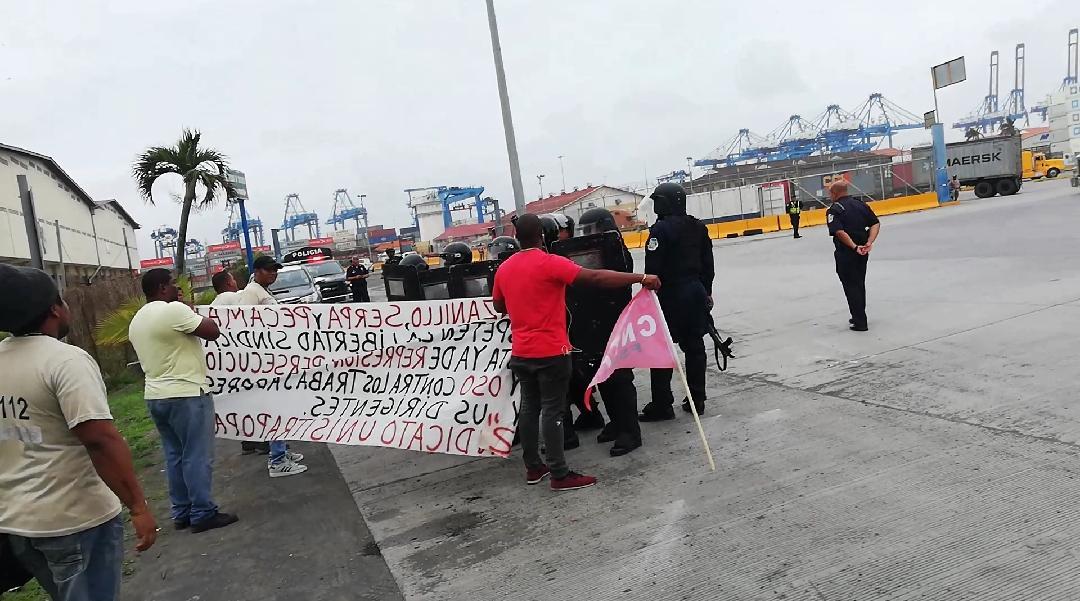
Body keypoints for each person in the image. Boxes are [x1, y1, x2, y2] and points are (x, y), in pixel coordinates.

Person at [0, 265, 157, 600]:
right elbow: (99, 440)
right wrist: (138, 506)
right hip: (74, 521)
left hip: (19, 525)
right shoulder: (65, 361)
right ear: (55, 309)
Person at [491, 214, 661, 491]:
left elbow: (499, 306)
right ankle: (559, 473)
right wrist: (641, 277)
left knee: (530, 409)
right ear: (542, 236)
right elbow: (595, 277)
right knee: (553, 410)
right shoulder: (549, 263)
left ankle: (533, 467)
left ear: (516, 237)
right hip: (551, 352)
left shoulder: (504, 269)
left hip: (521, 352)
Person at [128, 269, 237, 534]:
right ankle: (203, 512)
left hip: (156, 395)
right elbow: (212, 331)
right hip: (187, 393)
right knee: (197, 455)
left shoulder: (137, 320)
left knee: (175, 455)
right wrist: (189, 310)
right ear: (162, 288)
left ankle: (182, 511)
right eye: (173, 284)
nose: (178, 289)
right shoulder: (174, 311)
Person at [567, 207, 643, 456]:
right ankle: (617, 423)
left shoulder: (614, 248)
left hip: (615, 320)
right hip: (595, 320)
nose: (588, 234)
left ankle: (630, 432)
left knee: (619, 378)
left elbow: (608, 280)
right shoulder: (593, 249)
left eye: (592, 229)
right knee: (603, 375)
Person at [639, 182, 714, 420]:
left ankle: (662, 403)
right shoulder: (698, 227)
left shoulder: (660, 230)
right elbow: (708, 265)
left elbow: (653, 269)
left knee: (661, 347)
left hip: (669, 294)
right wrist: (707, 292)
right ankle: (697, 398)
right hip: (695, 291)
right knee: (695, 347)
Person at [236, 256, 308, 476]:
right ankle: (277, 460)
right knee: (273, 409)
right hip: (263, 362)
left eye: (275, 270)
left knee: (279, 407)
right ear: (256, 271)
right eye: (269, 270)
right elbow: (244, 324)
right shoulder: (251, 292)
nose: (273, 274)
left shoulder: (262, 291)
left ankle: (281, 451)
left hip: (273, 359)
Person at [209, 270, 269, 455]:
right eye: (233, 279)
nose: (235, 282)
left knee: (240, 401)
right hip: (244, 358)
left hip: (228, 361)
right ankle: (262, 441)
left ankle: (247, 441)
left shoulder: (213, 305)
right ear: (228, 283)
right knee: (255, 400)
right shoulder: (235, 298)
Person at [826, 179, 880, 332]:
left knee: (850, 286)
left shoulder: (834, 210)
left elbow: (839, 232)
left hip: (847, 252)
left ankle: (860, 321)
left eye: (830, 193)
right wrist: (869, 242)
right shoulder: (860, 205)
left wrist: (854, 247)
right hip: (863, 252)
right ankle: (858, 314)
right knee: (859, 283)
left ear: (835, 193)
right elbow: (875, 223)